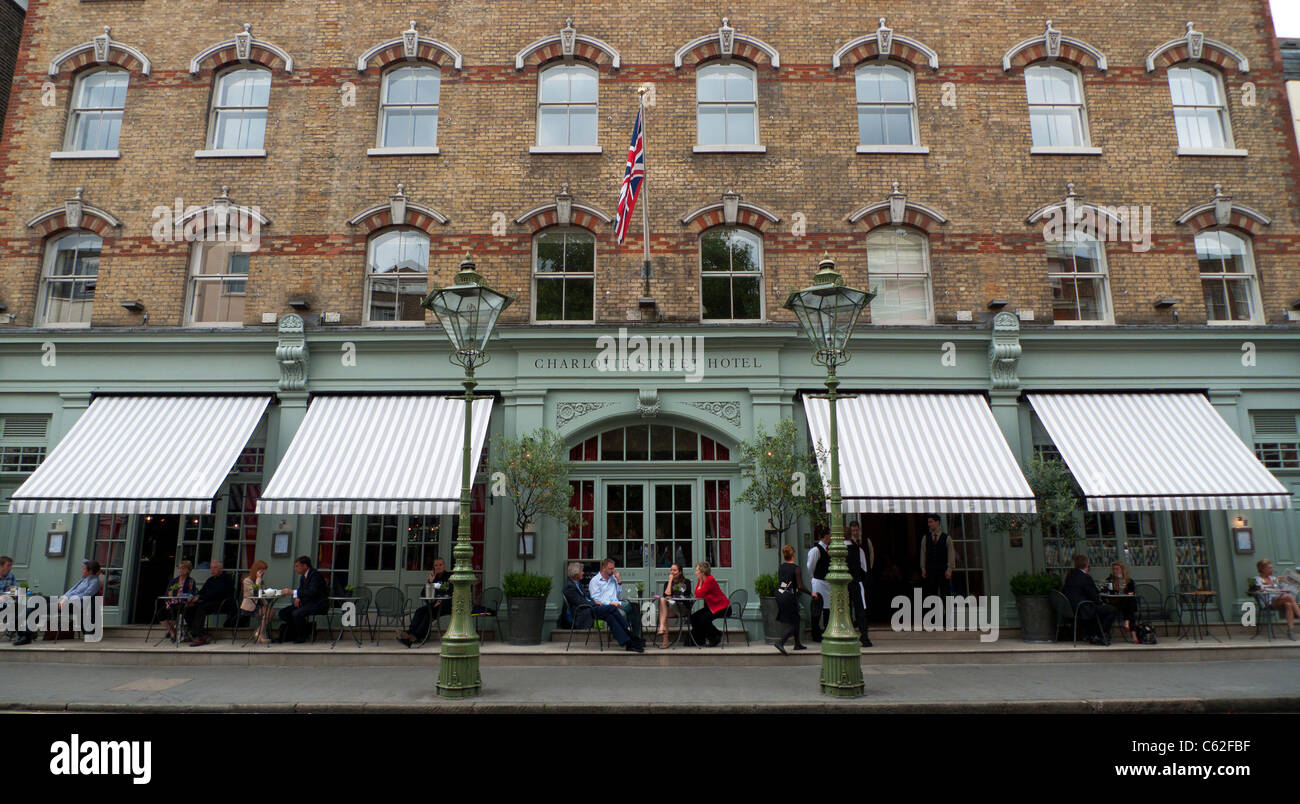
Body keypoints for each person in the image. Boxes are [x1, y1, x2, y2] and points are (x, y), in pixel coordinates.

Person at [14, 560, 100, 646]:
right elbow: (69, 592)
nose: (82, 570)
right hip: (64, 600)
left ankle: (26, 635)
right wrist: (64, 598)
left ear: (90, 571)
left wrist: (66, 600)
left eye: (84, 569)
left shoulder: (94, 582)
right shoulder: (83, 580)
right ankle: (21, 622)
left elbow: (86, 596)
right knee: (37, 599)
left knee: (40, 607)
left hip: (74, 605)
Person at [560, 562, 643, 651]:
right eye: (581, 571)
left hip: (590, 608)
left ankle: (628, 643)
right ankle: (629, 633)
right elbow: (580, 602)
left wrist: (594, 602)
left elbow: (586, 597)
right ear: (576, 574)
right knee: (612, 608)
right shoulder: (569, 587)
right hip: (583, 612)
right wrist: (595, 603)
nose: (583, 573)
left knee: (610, 617)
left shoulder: (577, 584)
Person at [396, 558, 452, 647]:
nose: (438, 567)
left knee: (428, 614)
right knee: (419, 611)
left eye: (440, 565)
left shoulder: (450, 576)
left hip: (447, 605)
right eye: (436, 565)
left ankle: (415, 636)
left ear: (444, 566)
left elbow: (448, 588)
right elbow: (423, 593)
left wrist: (436, 589)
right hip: (435, 605)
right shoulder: (434, 578)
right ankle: (409, 634)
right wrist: (430, 581)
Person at [1063, 554, 1118, 645]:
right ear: (1086, 565)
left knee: (1101, 610)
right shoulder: (1085, 577)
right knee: (1112, 610)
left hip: (1071, 608)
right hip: (1083, 608)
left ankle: (1091, 633)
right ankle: (1098, 634)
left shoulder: (1070, 576)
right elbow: (1093, 595)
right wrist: (1101, 602)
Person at [277, 556, 328, 643]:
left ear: (305, 566)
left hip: (318, 604)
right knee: (283, 613)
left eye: (297, 566)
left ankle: (301, 637)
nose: (295, 568)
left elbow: (312, 592)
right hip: (306, 603)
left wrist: (292, 592)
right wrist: (297, 597)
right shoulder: (303, 576)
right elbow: (302, 590)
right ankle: (307, 628)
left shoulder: (315, 575)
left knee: (297, 613)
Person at [588, 558, 641, 640]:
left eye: (613, 568)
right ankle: (628, 638)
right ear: (604, 568)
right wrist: (610, 603)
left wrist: (619, 581)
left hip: (617, 604)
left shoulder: (613, 578)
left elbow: (618, 596)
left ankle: (636, 637)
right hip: (606, 607)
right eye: (610, 569)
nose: (612, 571)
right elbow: (596, 600)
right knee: (625, 612)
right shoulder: (595, 581)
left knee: (635, 608)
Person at [186, 560, 236, 646]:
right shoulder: (210, 580)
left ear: (221, 569)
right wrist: (194, 598)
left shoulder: (226, 579)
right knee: (189, 607)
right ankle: (197, 633)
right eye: (211, 568)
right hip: (209, 602)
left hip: (222, 603)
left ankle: (199, 636)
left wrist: (199, 598)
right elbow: (202, 591)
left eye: (215, 568)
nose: (212, 570)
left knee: (202, 606)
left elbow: (216, 593)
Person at [774, 544, 810, 655]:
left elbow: (783, 582)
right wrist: (811, 593)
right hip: (789, 596)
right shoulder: (796, 568)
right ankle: (781, 642)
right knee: (794, 623)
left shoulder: (781, 567)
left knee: (796, 619)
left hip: (780, 594)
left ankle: (797, 644)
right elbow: (800, 586)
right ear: (793, 554)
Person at [1256, 559, 1300, 640]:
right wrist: (1274, 584)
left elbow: (1283, 589)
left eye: (1271, 568)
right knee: (1289, 597)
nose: (1272, 570)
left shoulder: (1273, 578)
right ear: (1263, 569)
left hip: (1279, 599)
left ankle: (1290, 631)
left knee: (1289, 604)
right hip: (1268, 601)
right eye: (1269, 568)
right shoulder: (1258, 579)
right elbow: (1261, 589)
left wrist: (1287, 584)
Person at [690, 561, 730, 647]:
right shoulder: (701, 580)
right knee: (693, 617)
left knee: (703, 619)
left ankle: (715, 636)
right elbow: (697, 593)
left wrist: (700, 582)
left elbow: (699, 594)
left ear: (702, 572)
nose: (695, 572)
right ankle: (700, 640)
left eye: (697, 570)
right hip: (713, 606)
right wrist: (700, 581)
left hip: (722, 607)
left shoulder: (709, 580)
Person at [846, 520, 872, 648]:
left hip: (844, 584)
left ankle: (848, 635)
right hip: (856, 581)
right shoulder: (858, 550)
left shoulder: (837, 550)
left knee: (846, 609)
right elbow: (864, 567)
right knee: (860, 610)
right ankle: (864, 636)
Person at [654, 563, 692, 649]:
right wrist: (670, 581)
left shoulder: (686, 582)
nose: (672, 572)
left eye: (674, 570)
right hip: (672, 609)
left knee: (662, 613)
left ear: (680, 572)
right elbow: (666, 595)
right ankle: (665, 638)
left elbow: (685, 595)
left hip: (683, 608)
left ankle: (662, 630)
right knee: (663, 603)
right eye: (671, 570)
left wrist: (673, 596)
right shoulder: (667, 583)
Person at [919, 514, 955, 602]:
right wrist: (923, 568)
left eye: (931, 522)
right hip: (930, 570)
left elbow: (951, 554)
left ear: (937, 522)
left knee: (945, 594)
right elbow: (923, 553)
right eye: (928, 522)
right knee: (931, 594)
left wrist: (949, 569)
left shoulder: (947, 538)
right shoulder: (925, 538)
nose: (929, 524)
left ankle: (946, 613)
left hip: (943, 570)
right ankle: (934, 613)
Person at [806, 525, 831, 641]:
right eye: (830, 535)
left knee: (828, 608)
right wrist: (813, 576)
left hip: (827, 583)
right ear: (825, 536)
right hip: (819, 582)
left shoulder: (829, 549)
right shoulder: (816, 550)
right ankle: (815, 633)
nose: (831, 537)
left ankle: (826, 631)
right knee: (817, 608)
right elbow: (810, 566)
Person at [1104, 561, 1139, 644]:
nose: (1115, 571)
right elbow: (1106, 592)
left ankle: (1127, 622)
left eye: (1117, 569)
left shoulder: (1129, 581)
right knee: (1130, 604)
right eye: (1113, 569)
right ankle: (1132, 631)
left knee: (1130, 601)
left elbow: (1131, 593)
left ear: (1122, 570)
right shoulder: (1110, 580)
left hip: (1125, 604)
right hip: (1114, 603)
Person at [162, 560, 197, 641]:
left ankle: (176, 632)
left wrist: (180, 595)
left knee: (175, 611)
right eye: (179, 568)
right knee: (161, 612)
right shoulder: (174, 581)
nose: (180, 570)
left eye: (182, 568)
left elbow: (191, 594)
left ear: (188, 570)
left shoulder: (190, 581)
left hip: (183, 603)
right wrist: (168, 600)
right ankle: (171, 632)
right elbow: (167, 593)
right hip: (172, 603)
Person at [241, 560, 274, 644]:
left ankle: (258, 632)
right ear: (256, 570)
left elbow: (263, 594)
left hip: (259, 605)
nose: (263, 573)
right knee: (268, 612)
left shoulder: (260, 581)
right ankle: (260, 634)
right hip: (249, 607)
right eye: (262, 570)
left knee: (271, 612)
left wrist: (271, 593)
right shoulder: (247, 581)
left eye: (264, 571)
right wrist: (258, 580)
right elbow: (255, 593)